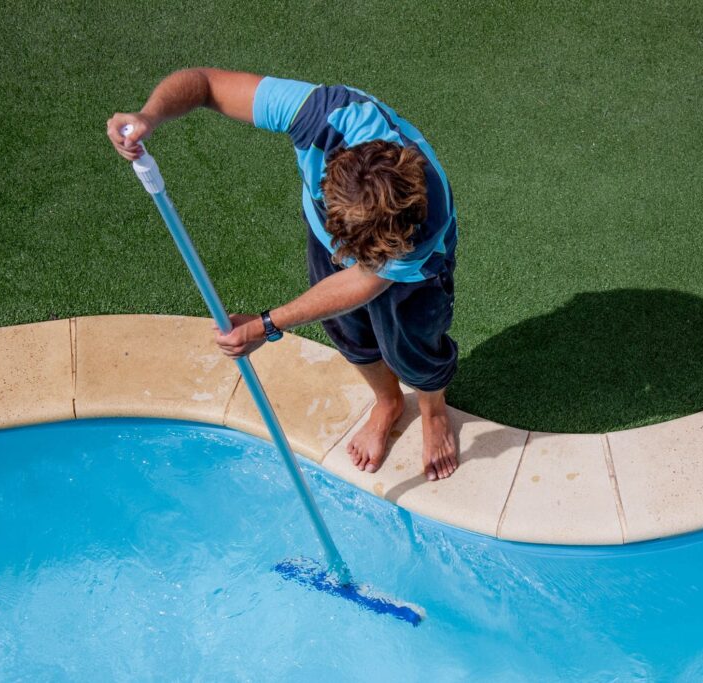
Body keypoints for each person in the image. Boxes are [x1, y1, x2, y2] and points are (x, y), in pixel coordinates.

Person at [106, 68, 459, 481]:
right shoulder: (319, 115)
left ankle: (434, 412)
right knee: (349, 333)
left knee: (413, 351)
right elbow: (204, 84)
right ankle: (388, 402)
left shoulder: (424, 219)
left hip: (413, 273)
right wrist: (149, 116)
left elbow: (363, 281)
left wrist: (265, 325)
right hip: (333, 233)